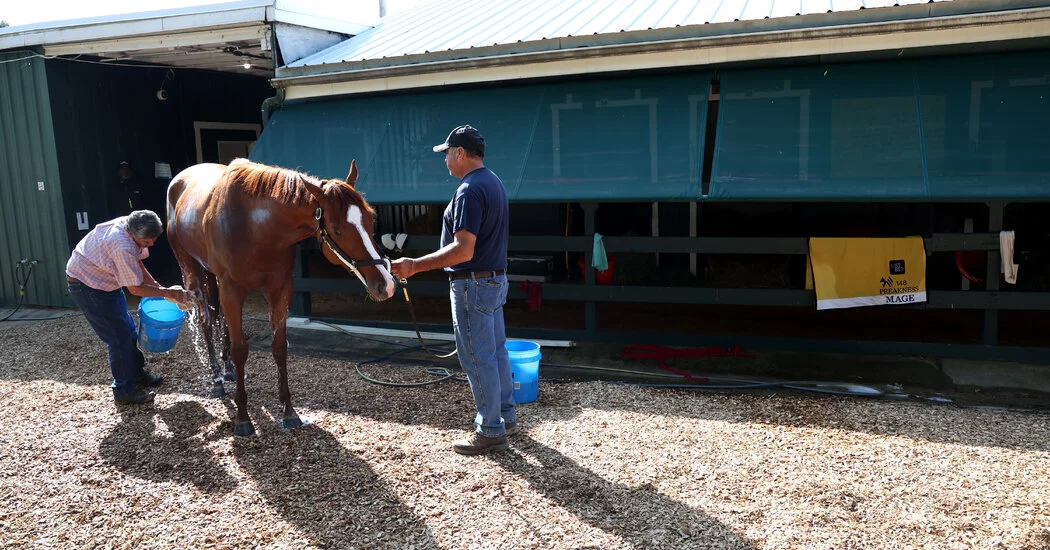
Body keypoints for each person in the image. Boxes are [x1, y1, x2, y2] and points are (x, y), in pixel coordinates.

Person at [390, 125, 515, 455]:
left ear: (460, 153)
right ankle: (505, 416)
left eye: (447, 153)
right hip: (494, 280)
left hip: (472, 283)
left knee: (476, 357)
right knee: (496, 351)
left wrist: (414, 265)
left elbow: (463, 250)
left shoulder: (468, 190)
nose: (445, 159)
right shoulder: (493, 182)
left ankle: (490, 429)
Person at [66, 210, 194, 406]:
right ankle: (123, 391)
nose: (151, 244)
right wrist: (168, 293)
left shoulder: (131, 224)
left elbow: (136, 264)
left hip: (105, 280)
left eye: (154, 240)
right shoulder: (122, 246)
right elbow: (135, 289)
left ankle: (136, 374)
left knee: (128, 330)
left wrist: (158, 287)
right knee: (119, 338)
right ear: (132, 234)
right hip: (87, 284)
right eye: (147, 241)